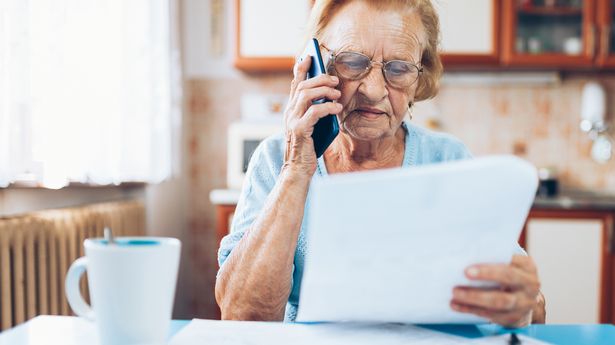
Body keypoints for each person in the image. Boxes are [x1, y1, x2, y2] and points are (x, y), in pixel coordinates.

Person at [216, 0, 546, 327]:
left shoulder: (448, 160)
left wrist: (519, 305)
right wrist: (296, 172)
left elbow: (530, 307)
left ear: (420, 78)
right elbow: (241, 315)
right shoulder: (277, 159)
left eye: (399, 68)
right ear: (316, 65)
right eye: (351, 62)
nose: (373, 91)